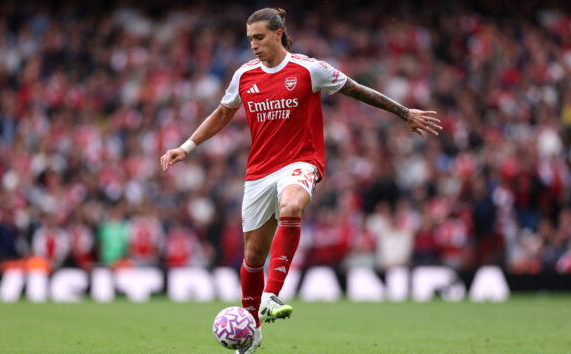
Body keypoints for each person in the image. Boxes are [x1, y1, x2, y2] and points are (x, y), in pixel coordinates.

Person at [160, 7, 442, 353]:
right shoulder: (244, 76)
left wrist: (404, 112)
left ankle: (272, 295)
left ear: (278, 34)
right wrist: (186, 147)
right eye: (250, 39)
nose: (253, 45)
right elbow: (222, 112)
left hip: (300, 162)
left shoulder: (309, 69)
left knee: (292, 204)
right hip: (259, 173)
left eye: (259, 38)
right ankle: (252, 331)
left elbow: (358, 90)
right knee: (252, 256)